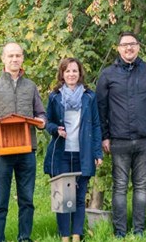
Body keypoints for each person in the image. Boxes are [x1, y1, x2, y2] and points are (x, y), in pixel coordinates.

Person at [97, 32, 146, 238]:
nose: (129, 48)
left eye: (133, 44)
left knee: (141, 186)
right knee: (119, 186)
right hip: (118, 140)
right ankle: (120, 231)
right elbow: (100, 108)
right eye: (124, 45)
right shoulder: (108, 75)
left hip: (145, 139)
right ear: (118, 48)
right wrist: (104, 135)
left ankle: (139, 230)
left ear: (138, 47)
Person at [0, 42, 46, 242]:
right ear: (3, 59)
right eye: (10, 56)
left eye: (18, 55)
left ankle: (24, 237)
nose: (15, 59)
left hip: (26, 152)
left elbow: (40, 113)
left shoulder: (30, 86)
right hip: (1, 154)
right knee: (0, 200)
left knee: (27, 199)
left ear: (23, 58)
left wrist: (42, 122)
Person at [44, 58, 103, 242]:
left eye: (75, 71)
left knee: (79, 197)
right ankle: (64, 236)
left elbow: (95, 125)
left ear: (80, 74)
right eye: (67, 71)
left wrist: (97, 153)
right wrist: (56, 130)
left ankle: (77, 235)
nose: (71, 74)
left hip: (82, 153)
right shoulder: (54, 97)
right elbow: (48, 122)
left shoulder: (89, 96)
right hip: (61, 154)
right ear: (62, 74)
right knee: (62, 198)